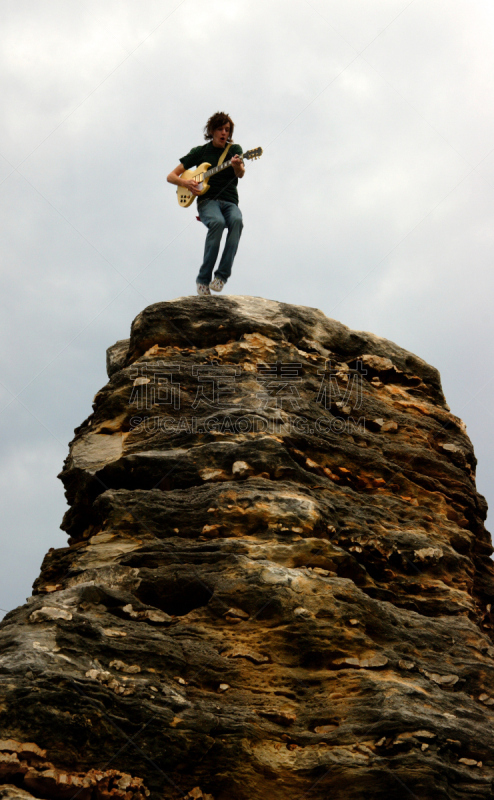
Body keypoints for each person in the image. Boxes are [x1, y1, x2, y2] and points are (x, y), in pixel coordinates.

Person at [167, 112, 245, 296]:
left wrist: (236, 165)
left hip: (230, 201)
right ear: (211, 131)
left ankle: (221, 277)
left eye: (227, 129)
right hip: (207, 201)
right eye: (220, 129)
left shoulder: (235, 150)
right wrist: (186, 183)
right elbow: (171, 176)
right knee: (217, 223)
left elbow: (240, 173)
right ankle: (203, 280)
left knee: (236, 221)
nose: (224, 132)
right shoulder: (200, 152)